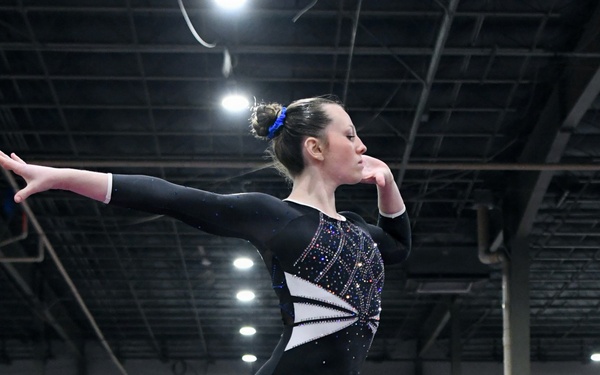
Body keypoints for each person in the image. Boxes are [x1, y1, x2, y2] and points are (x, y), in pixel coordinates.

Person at [0, 96, 411, 375]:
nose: (362, 146)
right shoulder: (275, 216)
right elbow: (170, 197)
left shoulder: (356, 228)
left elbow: (397, 245)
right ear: (315, 149)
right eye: (351, 134)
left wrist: (386, 183)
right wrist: (60, 177)